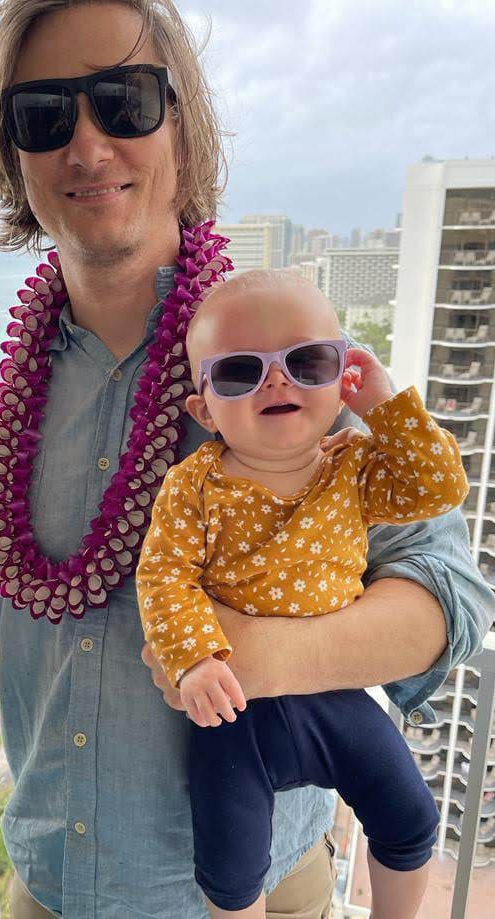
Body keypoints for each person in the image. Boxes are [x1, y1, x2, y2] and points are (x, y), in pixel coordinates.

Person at [0, 2, 492, 917]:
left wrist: (250, 654)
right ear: (11, 152)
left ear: (184, 124)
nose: (87, 147)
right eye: (44, 114)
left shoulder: (283, 366)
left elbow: (448, 598)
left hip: (259, 894)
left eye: (123, 101)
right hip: (48, 889)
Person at [136, 269, 470, 918]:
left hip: (334, 696)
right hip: (231, 710)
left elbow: (437, 488)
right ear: (204, 409)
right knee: (231, 870)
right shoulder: (193, 485)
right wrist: (197, 658)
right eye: (238, 371)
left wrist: (384, 405)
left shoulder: (355, 466)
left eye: (306, 361)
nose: (276, 380)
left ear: (336, 378)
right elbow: (163, 574)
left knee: (409, 816)